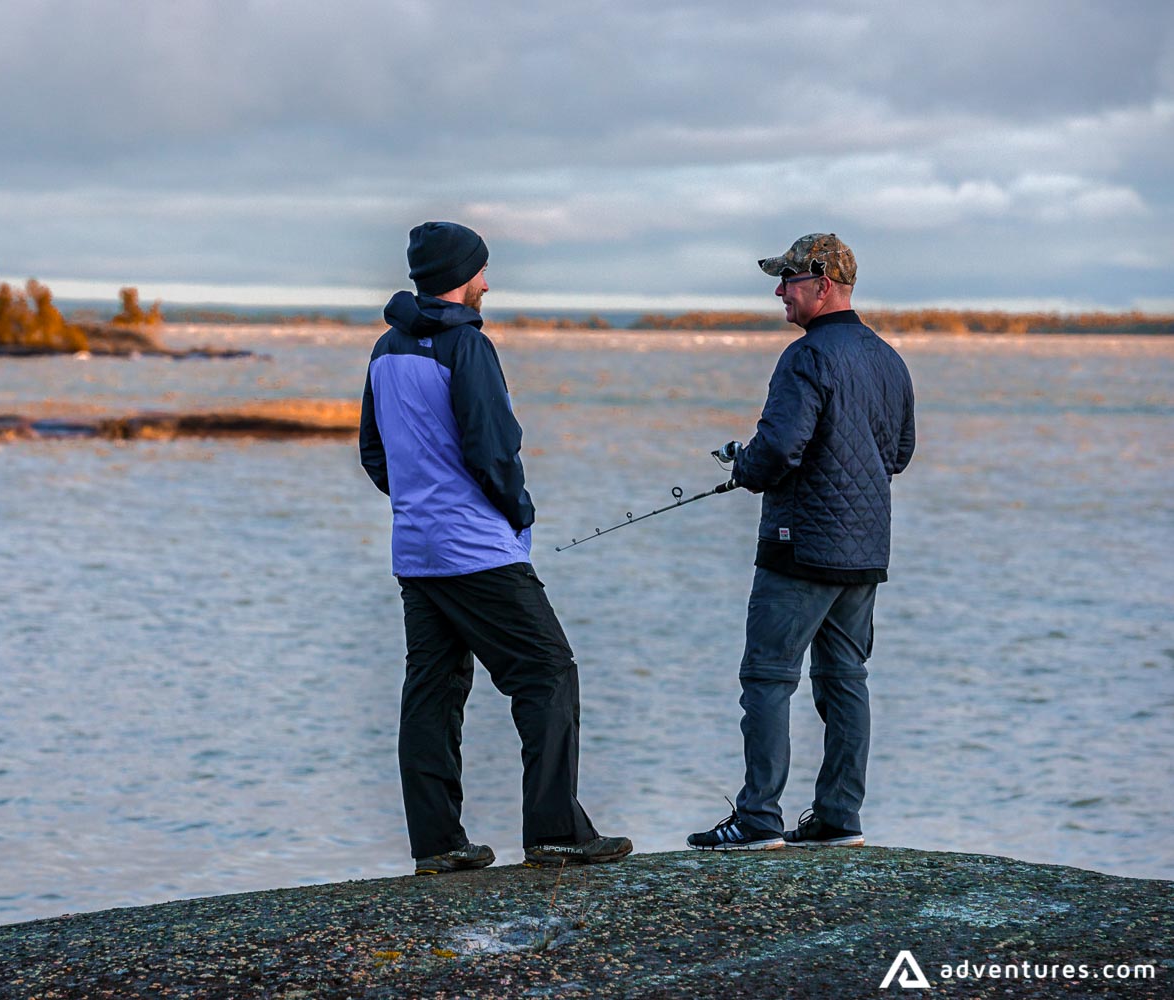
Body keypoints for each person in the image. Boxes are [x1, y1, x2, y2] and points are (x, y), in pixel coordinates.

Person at [360, 221, 632, 874]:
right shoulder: (468, 350)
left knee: (431, 691)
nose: (487, 281)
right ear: (462, 274)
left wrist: (418, 500)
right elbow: (493, 448)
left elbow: (374, 453)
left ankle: (438, 845)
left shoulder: (385, 348)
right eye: (482, 270)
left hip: (418, 550)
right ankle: (555, 830)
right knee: (548, 672)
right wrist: (519, 511)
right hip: (478, 550)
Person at [687, 233, 915, 852]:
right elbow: (897, 455)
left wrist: (745, 464)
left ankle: (758, 819)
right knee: (845, 679)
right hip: (865, 550)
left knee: (767, 678)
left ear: (823, 282)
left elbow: (779, 451)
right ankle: (840, 817)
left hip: (800, 545)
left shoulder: (804, 357)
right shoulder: (889, 359)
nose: (779, 292)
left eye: (788, 280)